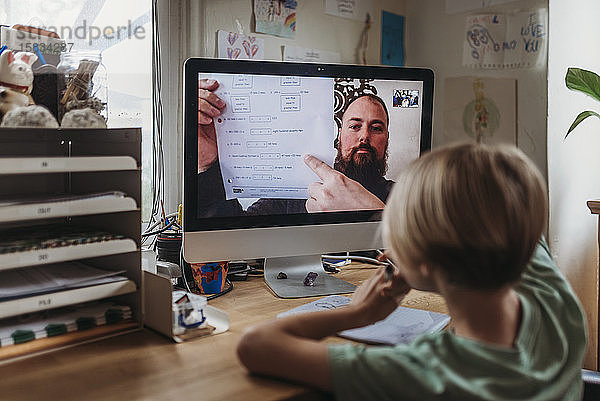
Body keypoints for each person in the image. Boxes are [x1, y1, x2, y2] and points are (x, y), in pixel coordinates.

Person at [236, 143, 588, 400]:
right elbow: (499, 207)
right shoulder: (556, 305)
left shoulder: (426, 374)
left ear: (424, 261)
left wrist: (357, 313)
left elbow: (256, 346)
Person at [197, 78, 392, 216]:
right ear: (339, 134)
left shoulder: (404, 199)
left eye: (376, 128)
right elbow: (238, 235)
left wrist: (373, 214)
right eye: (355, 126)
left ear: (387, 138)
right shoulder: (297, 187)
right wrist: (208, 165)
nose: (365, 136)